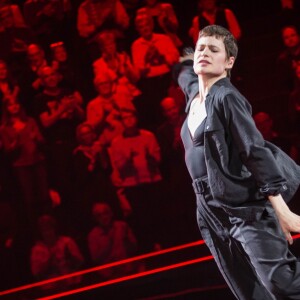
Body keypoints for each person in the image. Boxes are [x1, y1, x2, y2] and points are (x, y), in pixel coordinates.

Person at [175, 25, 300, 299]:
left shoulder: (227, 98)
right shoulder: (194, 93)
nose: (204, 53)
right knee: (248, 290)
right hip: (207, 208)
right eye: (201, 48)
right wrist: (185, 56)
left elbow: (254, 150)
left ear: (228, 62)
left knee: (282, 282)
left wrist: (282, 210)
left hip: (240, 202)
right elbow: (184, 72)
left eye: (213, 49)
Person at [87, 202, 139, 279]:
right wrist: (109, 243)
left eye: (105, 213)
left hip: (128, 271)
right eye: (99, 215)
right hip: (109, 277)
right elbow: (96, 259)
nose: (104, 217)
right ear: (95, 219)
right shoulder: (93, 235)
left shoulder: (122, 226)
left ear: (111, 213)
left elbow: (134, 249)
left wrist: (126, 240)